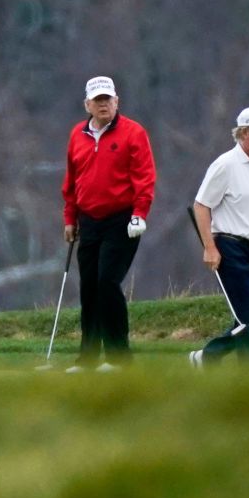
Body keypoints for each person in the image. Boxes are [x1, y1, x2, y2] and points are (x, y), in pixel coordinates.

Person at [61, 76, 156, 373]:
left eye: (108, 99)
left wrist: (140, 213)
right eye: (97, 100)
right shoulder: (77, 134)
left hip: (122, 220)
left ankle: (118, 357)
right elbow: (72, 181)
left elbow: (145, 176)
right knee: (88, 286)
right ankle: (88, 358)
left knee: (107, 283)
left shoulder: (133, 132)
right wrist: (70, 218)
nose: (103, 104)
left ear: (117, 102)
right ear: (87, 104)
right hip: (88, 221)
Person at [189, 106, 249, 367]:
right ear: (244, 132)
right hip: (229, 247)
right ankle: (248, 380)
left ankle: (208, 356)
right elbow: (201, 205)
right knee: (247, 320)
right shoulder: (225, 165)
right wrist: (210, 248)